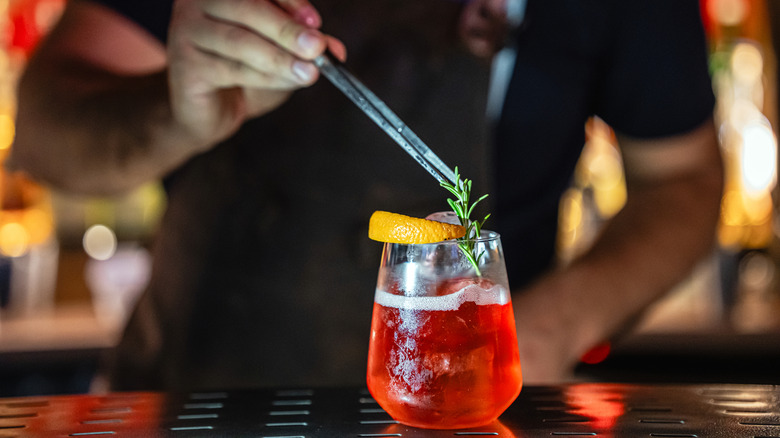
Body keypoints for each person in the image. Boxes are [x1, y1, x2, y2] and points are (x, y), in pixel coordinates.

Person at [8, 0, 722, 389]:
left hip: (469, 406)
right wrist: (174, 108)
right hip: (197, 394)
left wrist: (549, 328)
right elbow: (42, 137)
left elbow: (683, 180)